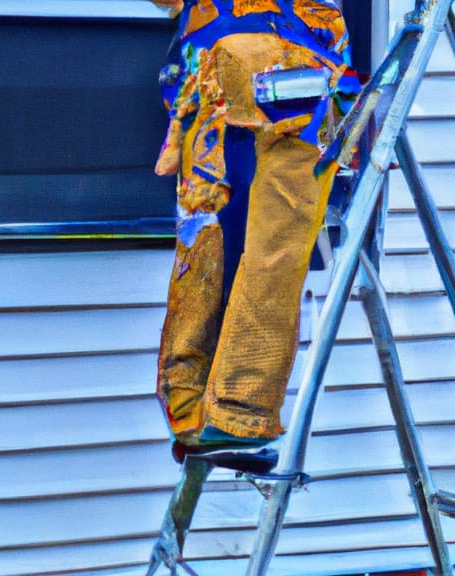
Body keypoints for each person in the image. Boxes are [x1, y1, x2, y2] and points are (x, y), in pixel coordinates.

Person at [150, 0, 361, 458]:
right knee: (276, 244)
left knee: (209, 236)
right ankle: (240, 409)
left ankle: (187, 403)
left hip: (203, 71)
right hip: (291, 70)